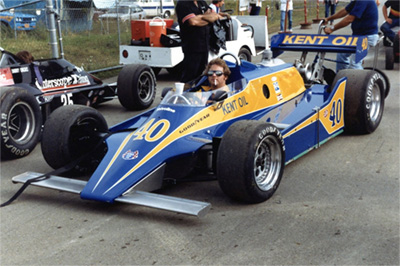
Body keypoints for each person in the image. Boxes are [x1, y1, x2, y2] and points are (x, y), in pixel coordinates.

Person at [175, 0, 222, 87]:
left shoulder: (201, 3)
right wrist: (208, 19)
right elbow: (193, 22)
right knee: (189, 75)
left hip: (204, 45)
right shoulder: (183, 4)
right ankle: (183, 97)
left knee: (202, 75)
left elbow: (214, 15)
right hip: (192, 46)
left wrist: (200, 17)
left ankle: (198, 96)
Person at [323, 0, 379, 72]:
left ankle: (363, 81)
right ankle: (342, 76)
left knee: (354, 64)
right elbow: (344, 11)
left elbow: (349, 19)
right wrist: (328, 19)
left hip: (366, 37)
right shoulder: (357, 1)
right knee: (341, 55)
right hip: (357, 37)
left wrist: (332, 29)